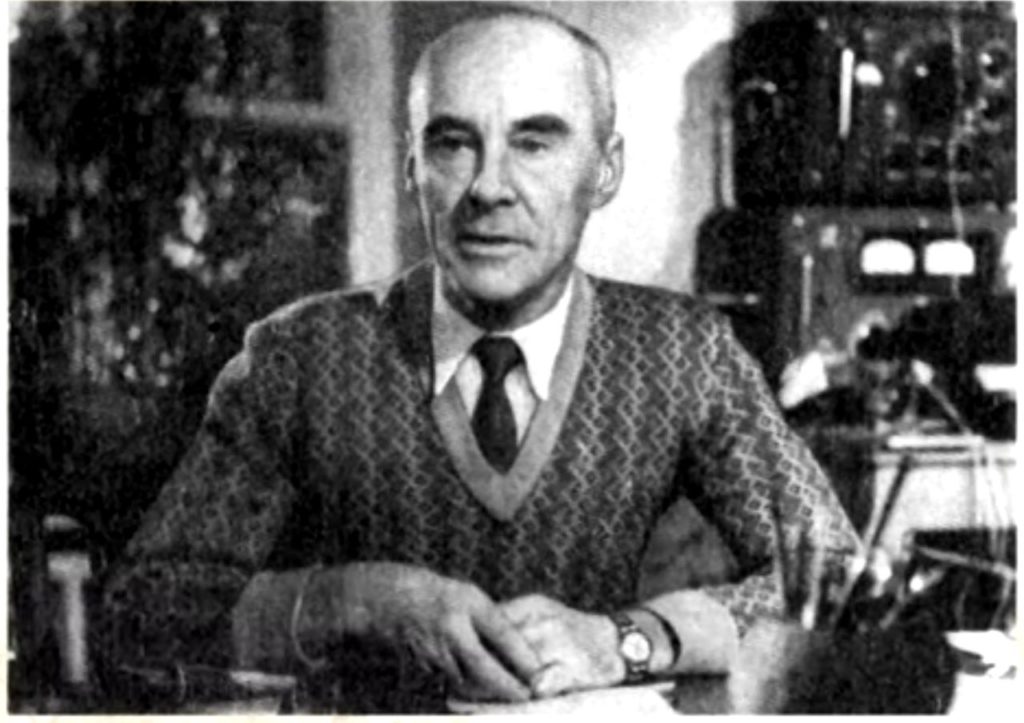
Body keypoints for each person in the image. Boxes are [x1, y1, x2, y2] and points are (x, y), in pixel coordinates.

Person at [100, 8, 859, 713]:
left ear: (604, 170)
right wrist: (358, 600)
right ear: (411, 167)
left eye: (534, 142)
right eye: (452, 143)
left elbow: (835, 575)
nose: (490, 187)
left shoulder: (681, 351)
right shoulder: (301, 356)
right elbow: (141, 615)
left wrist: (628, 638)